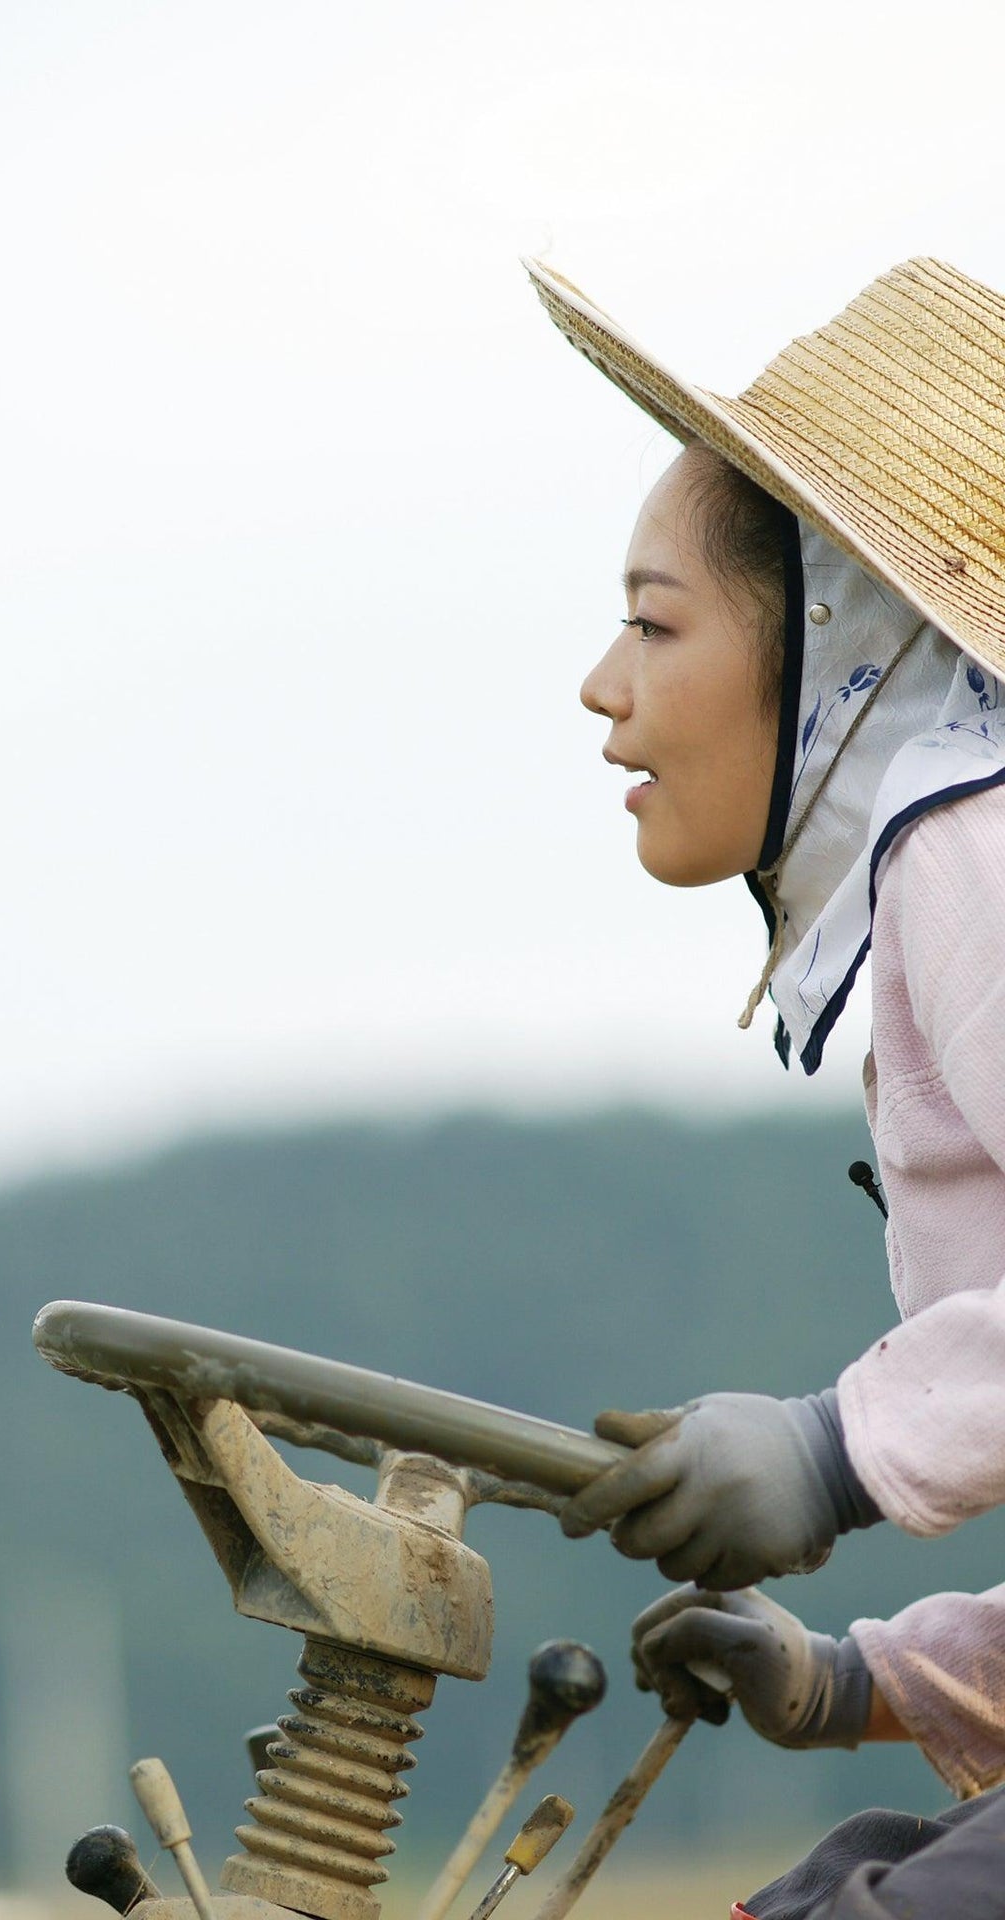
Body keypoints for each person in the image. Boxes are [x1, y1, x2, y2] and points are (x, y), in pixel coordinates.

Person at [528, 256, 1005, 1919]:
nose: (605, 686)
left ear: (841, 641)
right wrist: (863, 1684)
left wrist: (835, 1449)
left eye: (657, 623)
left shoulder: (970, 851)